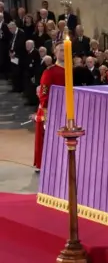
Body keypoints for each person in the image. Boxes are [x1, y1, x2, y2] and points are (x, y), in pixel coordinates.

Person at [33, 41, 66, 172]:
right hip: (52, 111)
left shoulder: (74, 70)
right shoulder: (50, 71)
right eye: (61, 50)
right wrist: (46, 113)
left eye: (66, 50)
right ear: (55, 53)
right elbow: (44, 93)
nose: (63, 53)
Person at [8, 21, 27, 93]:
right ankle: (15, 87)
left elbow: (21, 44)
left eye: (10, 28)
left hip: (19, 56)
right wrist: (10, 52)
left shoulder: (21, 33)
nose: (9, 30)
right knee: (14, 72)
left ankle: (19, 88)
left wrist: (14, 53)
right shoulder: (13, 34)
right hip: (13, 56)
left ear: (14, 27)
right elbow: (11, 43)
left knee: (18, 72)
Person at [23, 40, 41, 106]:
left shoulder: (35, 52)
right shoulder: (28, 52)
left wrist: (34, 75)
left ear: (32, 45)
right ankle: (30, 100)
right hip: (28, 73)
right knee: (29, 87)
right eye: (26, 45)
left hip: (33, 74)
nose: (26, 46)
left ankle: (33, 101)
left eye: (28, 45)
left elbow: (36, 65)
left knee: (32, 88)